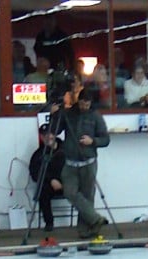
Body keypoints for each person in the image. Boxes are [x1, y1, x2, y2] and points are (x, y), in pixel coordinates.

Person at [50, 88, 109, 238]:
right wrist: (54, 115)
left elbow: (106, 139)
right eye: (82, 104)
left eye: (87, 105)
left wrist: (93, 141)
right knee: (70, 192)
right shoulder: (68, 114)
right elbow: (54, 131)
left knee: (87, 196)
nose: (84, 107)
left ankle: (86, 230)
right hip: (70, 162)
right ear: (78, 101)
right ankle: (95, 219)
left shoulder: (96, 116)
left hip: (88, 162)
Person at [29, 124, 66, 232]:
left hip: (69, 183)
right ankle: (49, 223)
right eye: (44, 135)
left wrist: (64, 181)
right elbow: (34, 174)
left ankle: (88, 219)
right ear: (41, 137)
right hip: (50, 186)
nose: (48, 137)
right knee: (42, 191)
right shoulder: (38, 154)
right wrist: (51, 180)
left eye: (50, 134)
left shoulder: (67, 149)